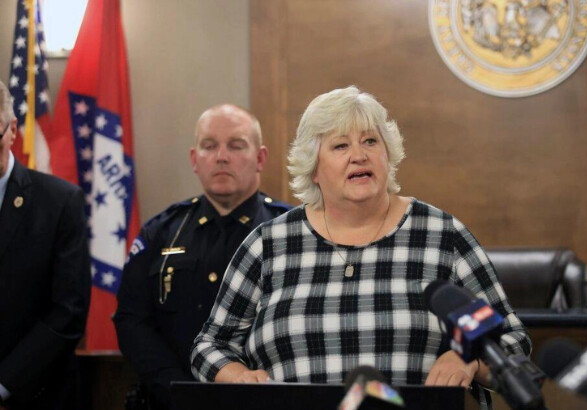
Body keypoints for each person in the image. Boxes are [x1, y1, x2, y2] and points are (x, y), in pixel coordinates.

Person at [190, 86, 531, 409]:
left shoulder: (442, 235)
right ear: (314, 169)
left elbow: (513, 340)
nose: (359, 155)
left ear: (388, 155)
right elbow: (209, 346)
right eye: (340, 146)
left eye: (370, 141)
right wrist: (238, 376)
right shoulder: (269, 244)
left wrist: (466, 357)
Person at [113, 104, 291, 410]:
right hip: (171, 400)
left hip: (263, 401)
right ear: (195, 159)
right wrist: (179, 391)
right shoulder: (162, 232)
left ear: (260, 158)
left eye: (236, 146)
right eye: (209, 146)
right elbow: (132, 321)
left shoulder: (288, 231)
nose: (222, 156)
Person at [0, 81, 91, 410]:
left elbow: (68, 311)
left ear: (12, 130)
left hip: (33, 395)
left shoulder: (59, 202)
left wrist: (3, 384)